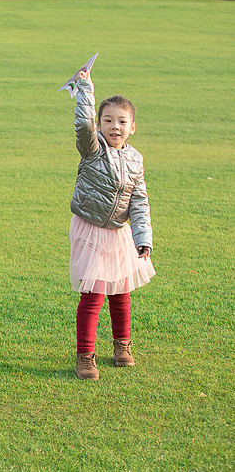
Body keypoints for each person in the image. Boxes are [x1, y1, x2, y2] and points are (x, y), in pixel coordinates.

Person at [67, 70, 155, 380]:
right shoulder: (92, 150)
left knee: (121, 292)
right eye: (108, 121)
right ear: (99, 125)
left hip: (119, 233)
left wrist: (142, 236)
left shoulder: (136, 159)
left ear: (132, 127)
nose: (114, 127)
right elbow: (82, 125)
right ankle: (85, 355)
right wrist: (85, 89)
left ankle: (122, 346)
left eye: (121, 121)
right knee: (94, 292)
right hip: (90, 228)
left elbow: (139, 201)